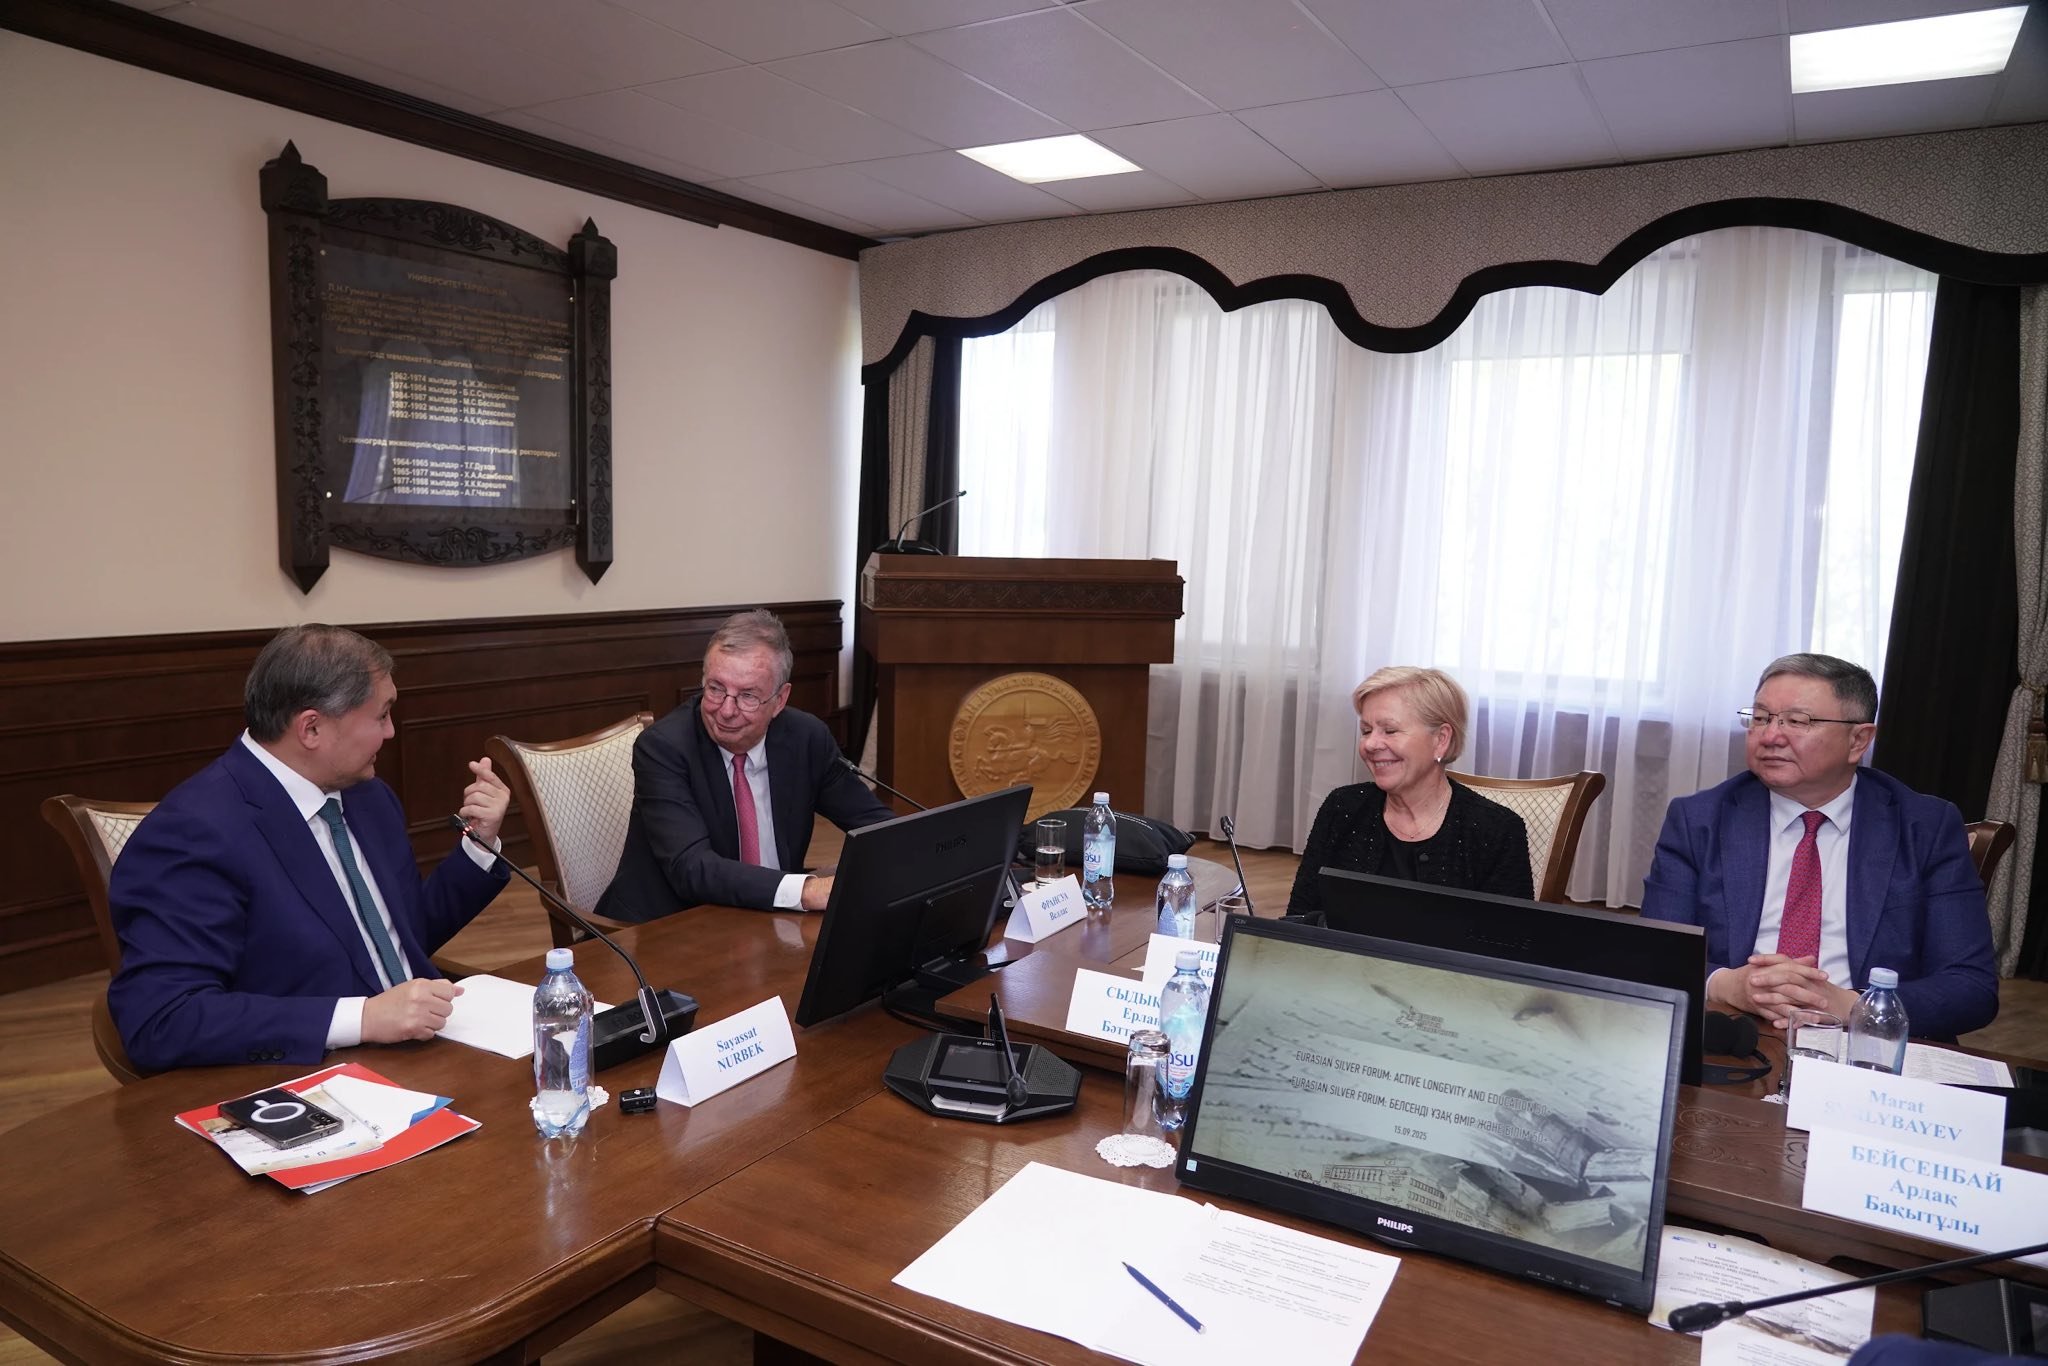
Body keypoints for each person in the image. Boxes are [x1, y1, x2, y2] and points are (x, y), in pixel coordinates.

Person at [108, 624, 512, 1072]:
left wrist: (479, 844)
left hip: (429, 1051)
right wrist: (362, 1019)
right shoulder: (193, 832)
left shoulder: (368, 797)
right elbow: (163, 1020)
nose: (391, 733)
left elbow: (398, 937)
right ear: (312, 728)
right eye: (381, 716)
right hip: (308, 1075)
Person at [1641, 653, 1997, 1040]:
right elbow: (1654, 954)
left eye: (1798, 721)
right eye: (1760, 718)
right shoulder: (1698, 820)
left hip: (1861, 1044)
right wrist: (1729, 985)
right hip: (1732, 1032)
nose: (1771, 736)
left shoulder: (1924, 827)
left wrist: (1853, 1005)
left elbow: (1971, 987)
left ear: (1858, 740)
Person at [598, 609, 895, 920]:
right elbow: (692, 868)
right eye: (715, 689)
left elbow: (874, 824)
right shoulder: (664, 748)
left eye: (748, 696)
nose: (726, 710)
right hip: (668, 927)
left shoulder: (806, 738)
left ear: (780, 700)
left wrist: (914, 853)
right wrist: (807, 890)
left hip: (770, 920)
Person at [1286, 666, 1533, 918]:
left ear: (1441, 740)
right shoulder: (1343, 807)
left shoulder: (1496, 830)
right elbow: (1298, 918)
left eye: (1390, 730)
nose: (1370, 744)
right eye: (1366, 731)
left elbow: (1509, 936)